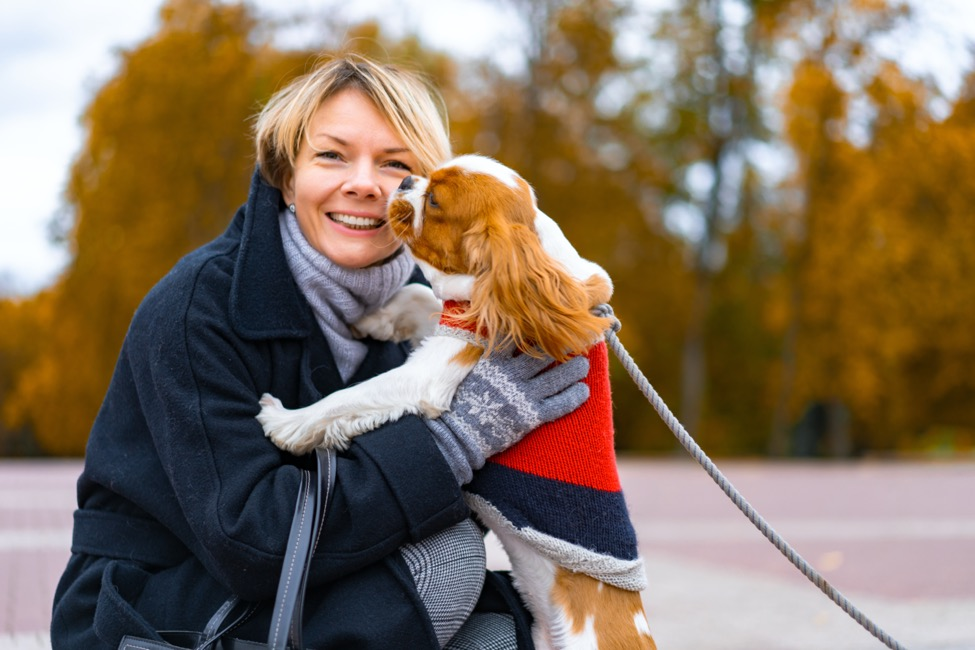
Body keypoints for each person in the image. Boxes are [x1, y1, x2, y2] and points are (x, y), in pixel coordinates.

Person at [50, 53, 590, 649]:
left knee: (503, 632)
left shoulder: (429, 317)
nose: (362, 183)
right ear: (287, 176)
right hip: (156, 605)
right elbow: (249, 541)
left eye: (394, 163)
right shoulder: (194, 307)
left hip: (313, 582)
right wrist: (454, 441)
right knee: (446, 566)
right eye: (331, 155)